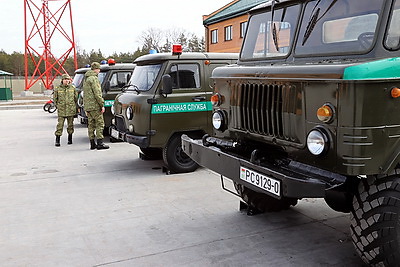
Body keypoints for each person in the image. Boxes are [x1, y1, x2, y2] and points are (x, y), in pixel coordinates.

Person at [82, 62, 109, 150]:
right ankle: (100, 143)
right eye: (99, 69)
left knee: (91, 125)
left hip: (88, 107)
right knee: (100, 124)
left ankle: (92, 143)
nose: (99, 70)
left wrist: (85, 106)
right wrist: (102, 104)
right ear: (96, 69)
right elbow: (97, 93)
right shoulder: (94, 79)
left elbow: (84, 94)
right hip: (95, 106)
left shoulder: (86, 78)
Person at [54, 73, 78, 147]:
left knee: (70, 125)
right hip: (62, 110)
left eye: (68, 79)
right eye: (65, 79)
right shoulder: (58, 88)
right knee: (60, 125)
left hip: (70, 110)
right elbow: (55, 99)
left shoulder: (73, 88)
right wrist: (58, 106)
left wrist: (75, 107)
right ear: (62, 80)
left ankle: (70, 139)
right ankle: (57, 140)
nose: (66, 81)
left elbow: (75, 98)